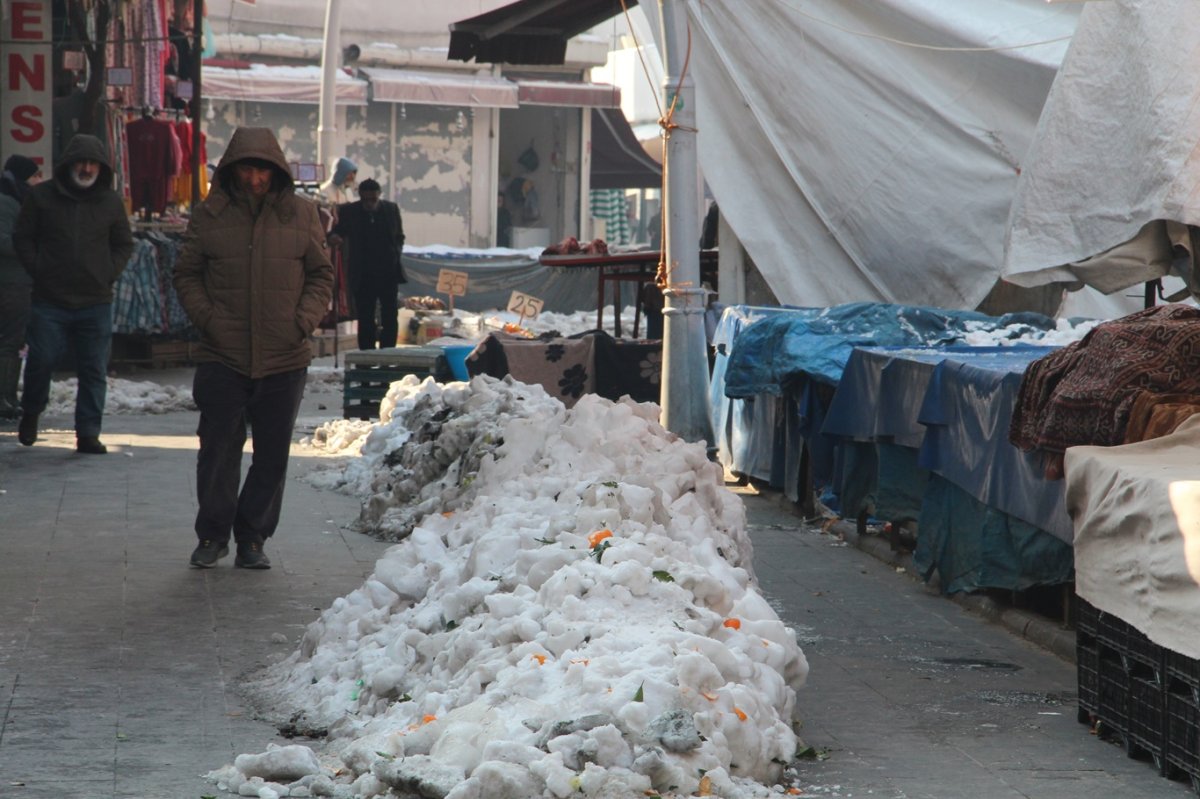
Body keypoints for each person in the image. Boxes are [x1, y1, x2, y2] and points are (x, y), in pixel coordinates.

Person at [174, 127, 333, 570]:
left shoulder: (302, 214)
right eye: (247, 169)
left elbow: (321, 275)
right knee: (217, 449)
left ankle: (253, 537)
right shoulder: (210, 215)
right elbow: (186, 274)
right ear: (232, 169)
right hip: (222, 354)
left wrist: (302, 321)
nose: (255, 179)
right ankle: (212, 535)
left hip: (285, 355)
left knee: (272, 454)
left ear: (276, 171)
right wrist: (209, 319)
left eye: (263, 170)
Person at [14, 136, 134, 453]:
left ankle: (88, 432)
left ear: (101, 168)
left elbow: (123, 243)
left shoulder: (110, 201)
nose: (87, 168)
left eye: (93, 163)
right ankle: (31, 411)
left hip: (95, 300)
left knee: (93, 369)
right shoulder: (41, 196)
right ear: (68, 164)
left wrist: (107, 271)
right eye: (81, 162)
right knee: (42, 360)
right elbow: (22, 237)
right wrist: (39, 268)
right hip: (49, 299)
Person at [328, 178, 405, 350]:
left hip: (387, 272)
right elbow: (337, 231)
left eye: (373, 199)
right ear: (360, 196)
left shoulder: (390, 209)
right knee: (365, 317)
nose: (369, 203)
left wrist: (395, 253)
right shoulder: (350, 211)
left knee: (390, 315)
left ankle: (388, 353)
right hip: (363, 274)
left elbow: (399, 236)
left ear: (379, 195)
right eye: (365, 200)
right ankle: (366, 356)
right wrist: (334, 237)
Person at [0, 155, 41, 420]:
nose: (39, 181)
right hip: (11, 281)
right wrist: (30, 248)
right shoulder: (8, 202)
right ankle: (4, 398)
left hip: (18, 281)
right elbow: (4, 240)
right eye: (35, 175)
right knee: (11, 340)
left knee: (13, 341)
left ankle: (8, 397)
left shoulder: (18, 199)